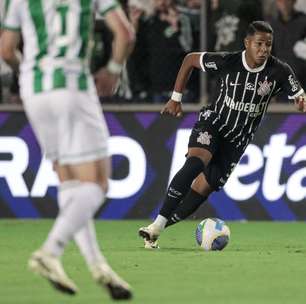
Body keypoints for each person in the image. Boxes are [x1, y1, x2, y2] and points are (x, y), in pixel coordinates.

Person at [0, 0, 135, 300]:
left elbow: (6, 49)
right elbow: (125, 33)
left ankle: (98, 266)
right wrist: (112, 69)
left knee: (71, 182)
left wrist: (28, 72)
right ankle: (50, 252)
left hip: (33, 90)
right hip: (72, 86)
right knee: (98, 183)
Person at [139, 21, 306, 249]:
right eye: (259, 44)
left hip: (237, 140)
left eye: (268, 44)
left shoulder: (279, 71)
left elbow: (299, 94)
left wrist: (300, 100)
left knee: (202, 189)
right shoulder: (228, 61)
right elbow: (190, 60)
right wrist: (176, 98)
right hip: (214, 122)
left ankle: (156, 230)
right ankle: (156, 225)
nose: (264, 49)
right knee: (197, 162)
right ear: (246, 43)